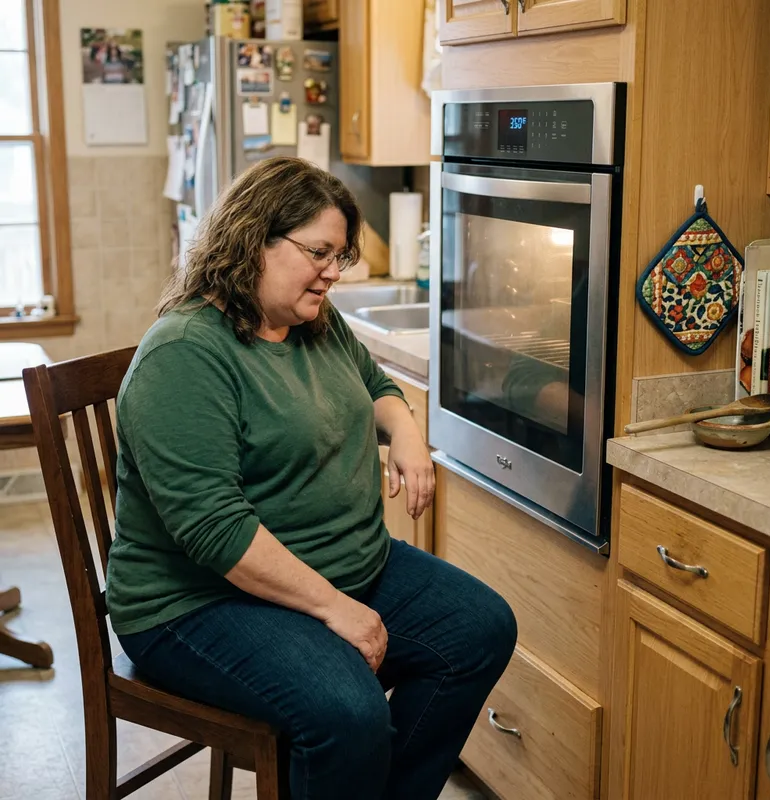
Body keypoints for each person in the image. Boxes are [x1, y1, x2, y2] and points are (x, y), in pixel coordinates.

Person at [107, 157, 517, 800]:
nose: (333, 271)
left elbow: (376, 385)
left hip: (337, 564)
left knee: (480, 629)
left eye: (340, 255)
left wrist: (407, 434)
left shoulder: (312, 323)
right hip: (198, 602)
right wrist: (337, 611)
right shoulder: (186, 353)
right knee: (348, 713)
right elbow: (216, 531)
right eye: (319, 252)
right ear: (253, 241)